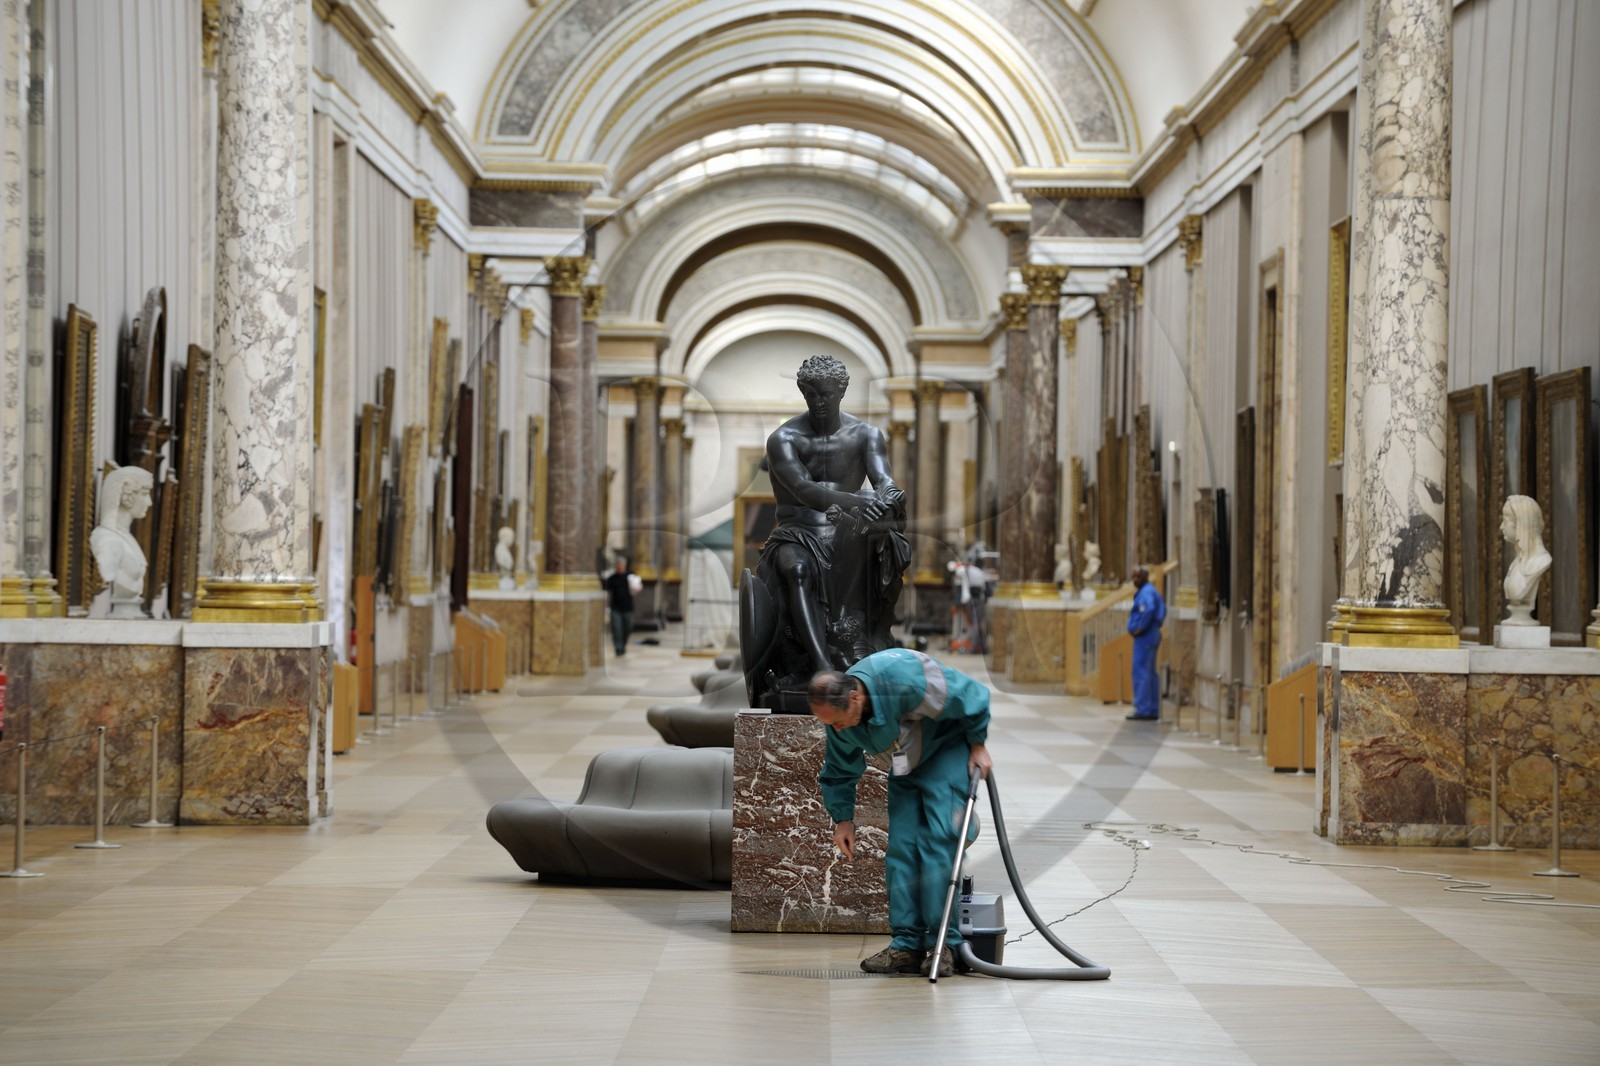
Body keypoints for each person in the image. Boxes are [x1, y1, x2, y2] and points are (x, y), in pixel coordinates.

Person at [809, 648, 992, 978]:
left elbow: (973, 694)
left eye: (837, 721)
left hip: (945, 747)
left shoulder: (904, 679)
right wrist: (843, 819)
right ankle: (906, 945)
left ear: (855, 696)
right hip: (905, 760)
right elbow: (839, 766)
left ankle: (944, 945)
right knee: (901, 849)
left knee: (938, 843)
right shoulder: (838, 718)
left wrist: (977, 744)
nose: (835, 730)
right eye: (828, 724)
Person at [744, 355, 910, 707]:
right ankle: (820, 666)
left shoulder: (866, 434)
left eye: (826, 394)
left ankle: (866, 639)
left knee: (886, 546)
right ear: (803, 393)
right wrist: (858, 501)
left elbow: (884, 481)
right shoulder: (784, 438)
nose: (819, 402)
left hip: (847, 529)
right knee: (797, 568)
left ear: (841, 391)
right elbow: (803, 490)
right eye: (811, 394)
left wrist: (888, 498)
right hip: (797, 531)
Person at [90, 464, 154, 618]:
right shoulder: (108, 540)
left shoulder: (126, 538)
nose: (150, 502)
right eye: (144, 494)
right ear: (126, 496)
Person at [1499, 494, 1551, 625]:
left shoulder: (1541, 561)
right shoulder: (1516, 563)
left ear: (1520, 524)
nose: (1501, 527)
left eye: (1505, 521)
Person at [1125, 565, 1166, 720]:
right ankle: (1151, 708)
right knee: (1148, 672)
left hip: (1146, 636)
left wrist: (1140, 627)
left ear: (1145, 577)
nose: (1135, 580)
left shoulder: (1147, 592)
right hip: (1150, 634)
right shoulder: (1148, 591)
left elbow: (1149, 609)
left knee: (1141, 671)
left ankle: (1143, 709)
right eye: (1133, 577)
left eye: (1138, 577)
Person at [602, 556, 639, 656]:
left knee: (628, 627)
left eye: (621, 565)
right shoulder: (612, 578)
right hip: (615, 607)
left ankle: (623, 643)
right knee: (616, 628)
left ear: (625, 565)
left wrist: (637, 588)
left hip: (628, 607)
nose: (620, 567)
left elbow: (638, 586)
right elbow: (607, 591)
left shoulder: (630, 575)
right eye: (618, 565)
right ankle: (618, 648)